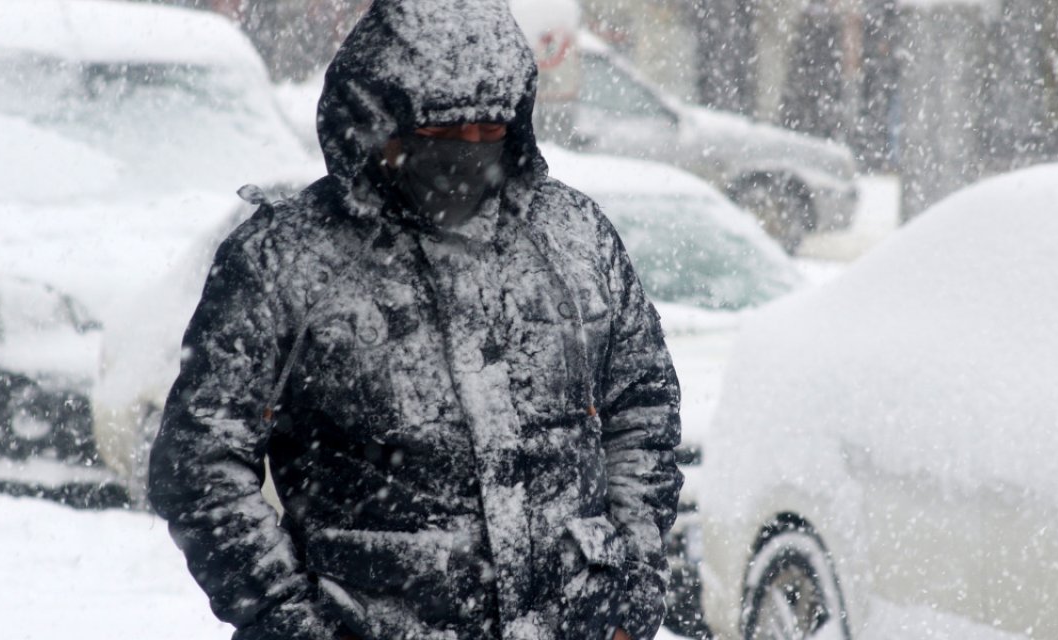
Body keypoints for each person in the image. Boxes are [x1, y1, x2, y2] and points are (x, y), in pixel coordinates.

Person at [146, 1, 682, 639]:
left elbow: (643, 410)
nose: (471, 154)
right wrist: (293, 621)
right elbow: (201, 464)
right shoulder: (287, 262)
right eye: (443, 138)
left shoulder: (574, 239)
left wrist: (630, 587)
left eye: (491, 132)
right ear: (376, 121)